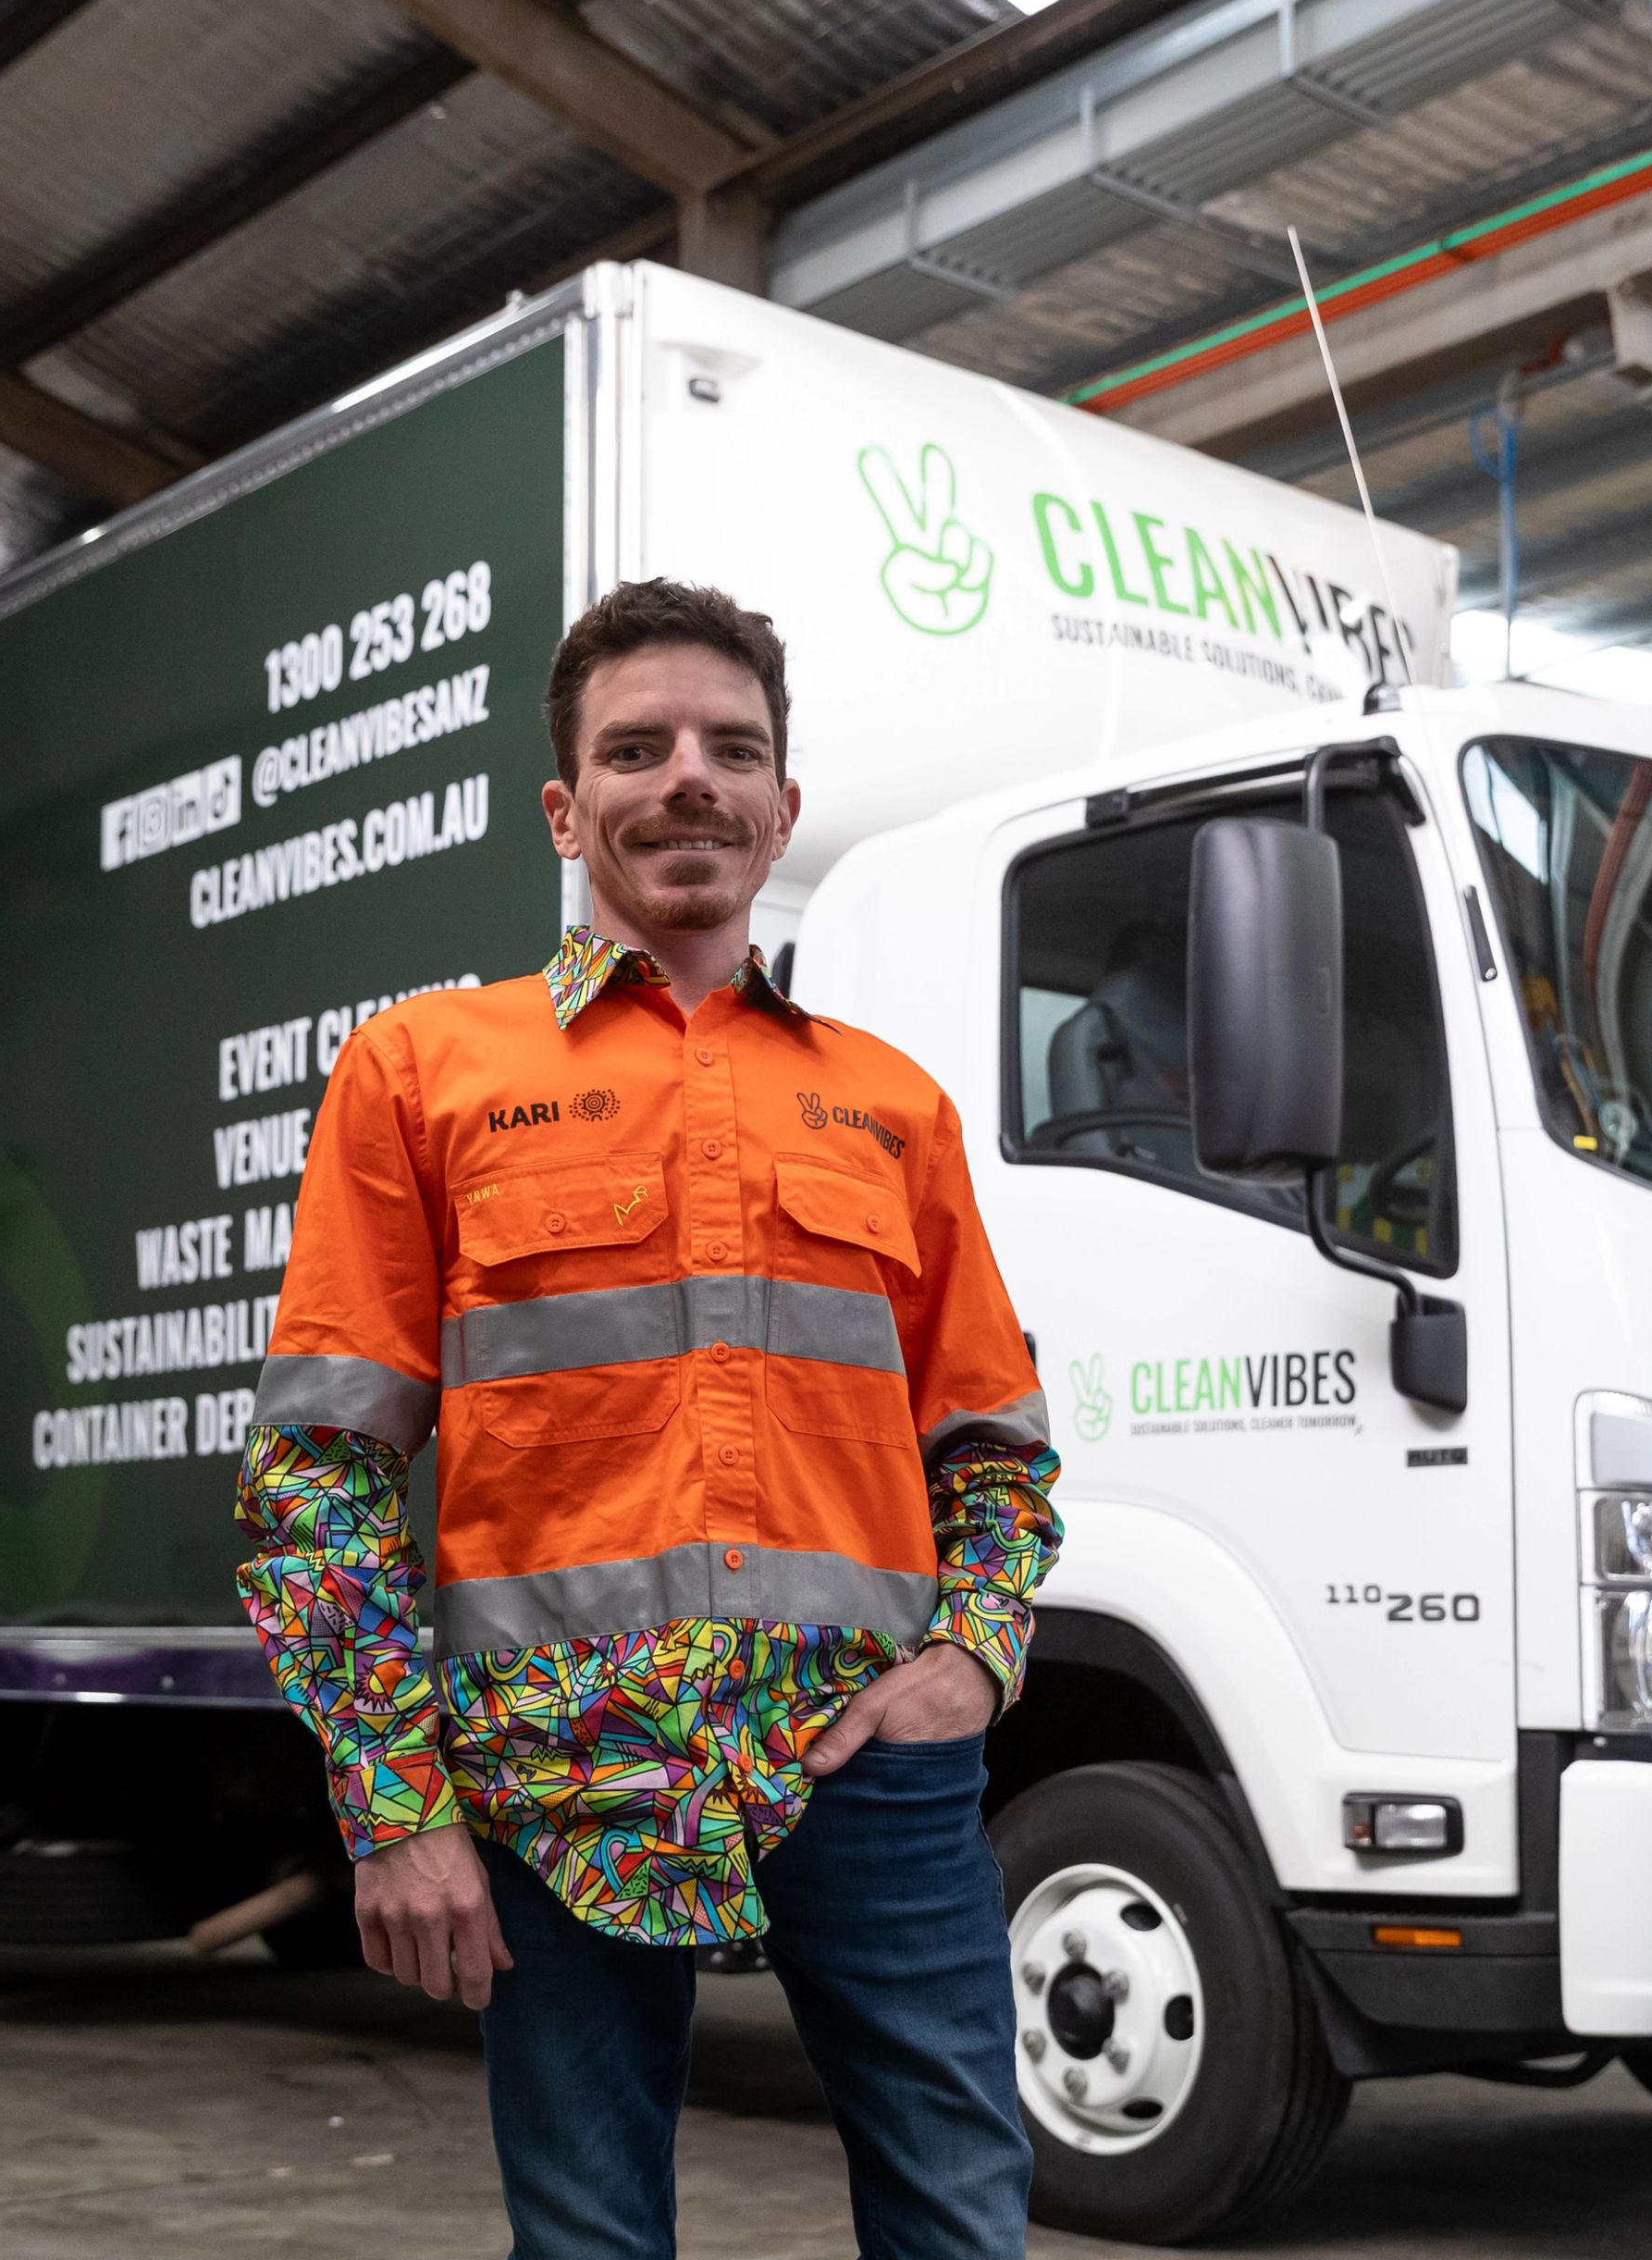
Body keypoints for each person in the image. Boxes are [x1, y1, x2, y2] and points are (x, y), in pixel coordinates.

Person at [238, 577, 1061, 2260]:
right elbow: (316, 1473)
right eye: (638, 747)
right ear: (567, 805)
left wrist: (968, 1662)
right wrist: (395, 1805)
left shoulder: (891, 1103)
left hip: (867, 1767)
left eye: (731, 748)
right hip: (552, 1775)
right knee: (591, 2240)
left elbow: (994, 1447)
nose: (689, 777)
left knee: (962, 2220)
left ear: (783, 806)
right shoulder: (420, 1072)